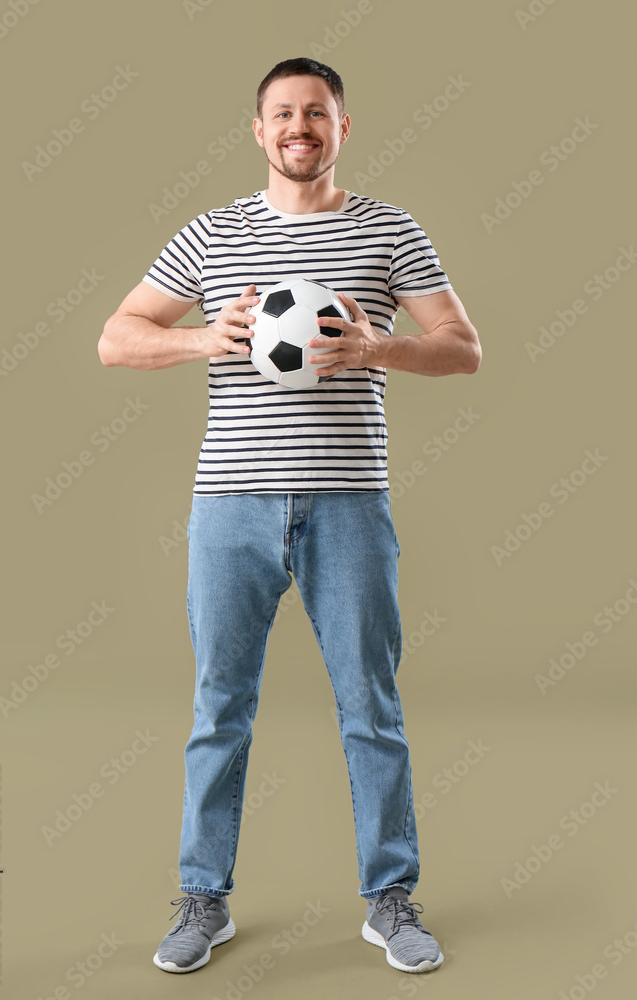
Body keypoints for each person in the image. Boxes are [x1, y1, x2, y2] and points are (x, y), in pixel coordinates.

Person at [98, 56, 481, 976]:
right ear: (258, 130)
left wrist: (377, 347)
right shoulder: (212, 233)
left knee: (370, 706)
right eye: (281, 113)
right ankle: (204, 900)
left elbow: (462, 349)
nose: (298, 126)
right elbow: (116, 338)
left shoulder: (389, 231)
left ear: (342, 128)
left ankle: (389, 900)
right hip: (229, 505)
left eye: (316, 113)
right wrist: (202, 337)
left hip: (349, 504)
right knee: (219, 705)